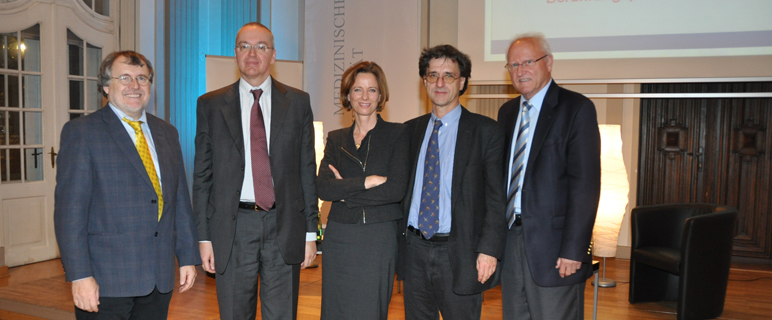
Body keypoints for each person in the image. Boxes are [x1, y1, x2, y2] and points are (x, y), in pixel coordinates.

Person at [54, 50, 200, 319]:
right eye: (125, 78)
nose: (135, 86)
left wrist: (188, 256)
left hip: (159, 277)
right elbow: (69, 214)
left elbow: (179, 200)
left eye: (142, 78)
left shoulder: (167, 132)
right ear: (106, 86)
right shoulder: (82, 132)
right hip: (105, 280)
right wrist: (80, 275)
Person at [192, 22, 318, 320]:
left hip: (284, 226)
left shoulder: (299, 102)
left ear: (273, 55)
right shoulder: (209, 105)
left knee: (282, 314)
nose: (252, 53)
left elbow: (306, 170)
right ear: (235, 53)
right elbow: (202, 176)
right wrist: (204, 237)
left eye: (261, 46)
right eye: (244, 46)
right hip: (232, 228)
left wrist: (311, 232)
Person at [399, 44, 507, 320]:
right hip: (414, 251)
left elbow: (496, 198)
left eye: (449, 75)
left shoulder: (486, 132)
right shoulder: (408, 131)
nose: (440, 82)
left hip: (459, 252)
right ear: (424, 81)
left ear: (462, 82)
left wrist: (489, 251)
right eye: (433, 75)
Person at [497, 33, 601, 319]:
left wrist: (574, 250)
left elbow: (586, 186)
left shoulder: (576, 109)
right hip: (511, 242)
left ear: (549, 62)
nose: (521, 71)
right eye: (513, 65)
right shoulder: (506, 113)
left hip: (557, 250)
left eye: (528, 62)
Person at [316, 61, 409, 320]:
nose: (365, 97)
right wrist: (366, 182)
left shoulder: (398, 134)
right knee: (335, 309)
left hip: (378, 237)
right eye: (358, 90)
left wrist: (343, 192)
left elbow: (395, 191)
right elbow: (323, 187)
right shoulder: (336, 138)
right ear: (348, 95)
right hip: (340, 236)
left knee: (370, 309)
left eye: (372, 90)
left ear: (381, 96)